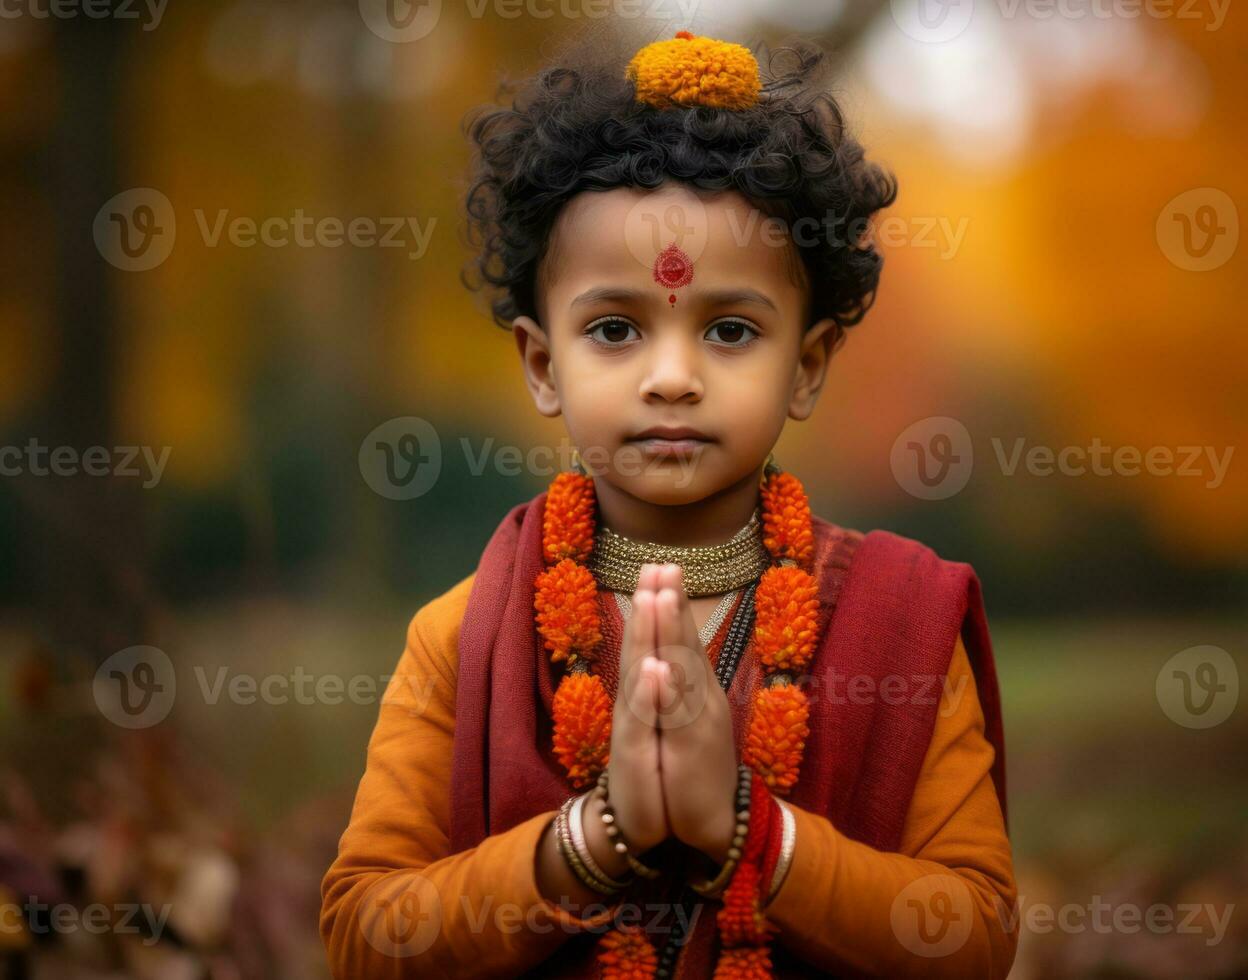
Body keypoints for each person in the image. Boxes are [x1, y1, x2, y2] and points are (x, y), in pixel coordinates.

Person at [321, 27, 1017, 979]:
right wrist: (596, 837)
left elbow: (971, 936)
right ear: (541, 363)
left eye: (730, 330)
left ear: (805, 366)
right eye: (614, 329)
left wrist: (745, 827)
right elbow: (366, 932)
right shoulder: (459, 637)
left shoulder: (899, 622)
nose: (673, 377)